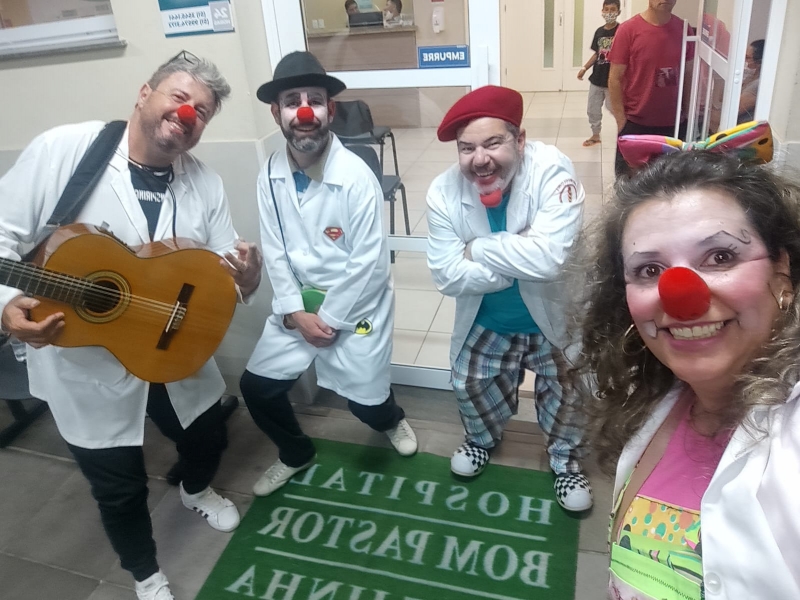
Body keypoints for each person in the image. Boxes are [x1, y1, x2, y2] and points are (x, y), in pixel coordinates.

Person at [0, 52, 263, 600]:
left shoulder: (204, 183)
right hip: (85, 366)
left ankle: (195, 490)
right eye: (179, 97)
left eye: (202, 111)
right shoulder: (65, 152)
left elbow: (223, 272)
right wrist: (7, 306)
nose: (188, 114)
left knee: (208, 436)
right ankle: (146, 574)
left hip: (172, 347)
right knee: (118, 486)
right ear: (145, 93)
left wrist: (248, 279)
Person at [577, 150, 800, 599]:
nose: (681, 296)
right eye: (650, 270)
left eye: (720, 256)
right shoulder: (663, 397)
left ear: (782, 271)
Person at [240, 51, 417, 499]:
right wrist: (294, 312)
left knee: (366, 404)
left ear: (330, 110)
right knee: (256, 389)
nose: (305, 112)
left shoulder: (356, 177)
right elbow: (275, 249)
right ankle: (296, 452)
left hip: (355, 307)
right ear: (276, 113)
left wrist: (332, 318)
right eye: (292, 102)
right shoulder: (269, 174)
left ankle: (392, 419)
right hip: (299, 307)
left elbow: (369, 263)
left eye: (315, 101)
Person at [426, 85, 593, 512]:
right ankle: (481, 439)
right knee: (471, 385)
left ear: (520, 140)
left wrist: (477, 248)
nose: (479, 159)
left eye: (492, 143)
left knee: (568, 393)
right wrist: (520, 254)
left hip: (552, 318)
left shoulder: (552, 171)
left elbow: (549, 260)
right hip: (488, 319)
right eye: (467, 148)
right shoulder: (443, 192)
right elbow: (446, 276)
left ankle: (566, 460)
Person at [608, 0, 694, 177]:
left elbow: (688, 74)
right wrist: (621, 121)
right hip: (636, 122)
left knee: (670, 182)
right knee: (630, 183)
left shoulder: (684, 30)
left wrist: (687, 114)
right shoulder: (628, 30)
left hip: (673, 124)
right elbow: (615, 78)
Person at [577, 0, 620, 147]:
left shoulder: (622, 31)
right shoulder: (599, 32)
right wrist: (584, 68)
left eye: (612, 10)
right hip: (597, 78)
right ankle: (595, 135)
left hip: (613, 80)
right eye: (606, 10)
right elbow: (597, 53)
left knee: (614, 108)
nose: (609, 13)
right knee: (592, 109)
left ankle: (624, 134)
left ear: (618, 12)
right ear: (602, 12)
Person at [738, 39, 764, 123]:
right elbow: (721, 97)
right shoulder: (751, 76)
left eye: (747, 58)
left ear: (759, 61)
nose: (745, 60)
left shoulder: (757, 85)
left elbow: (736, 109)